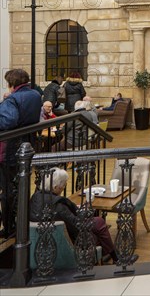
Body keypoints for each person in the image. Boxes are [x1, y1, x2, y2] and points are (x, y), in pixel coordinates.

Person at [30, 168, 119, 264]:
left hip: (41, 242)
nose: (64, 187)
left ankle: (111, 256)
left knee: (98, 223)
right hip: (67, 241)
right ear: (55, 187)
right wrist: (86, 209)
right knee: (99, 224)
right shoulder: (59, 206)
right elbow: (77, 226)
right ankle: (114, 257)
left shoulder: (35, 198)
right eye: (63, 185)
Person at [0, 69, 42, 237]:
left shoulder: (12, 99)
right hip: (27, 145)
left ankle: (9, 227)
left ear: (12, 84)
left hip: (10, 148)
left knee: (8, 189)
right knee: (21, 184)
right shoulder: (35, 95)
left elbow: (9, 121)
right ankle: (19, 221)